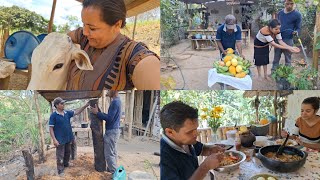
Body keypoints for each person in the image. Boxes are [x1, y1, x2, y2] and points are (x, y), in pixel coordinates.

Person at [67, 0, 160, 90]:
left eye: (92, 28)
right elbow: (61, 40)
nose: (85, 32)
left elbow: (148, 66)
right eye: (84, 25)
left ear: (117, 25)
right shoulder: (83, 37)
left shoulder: (132, 55)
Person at [160, 101, 224, 180]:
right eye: (189, 132)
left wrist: (211, 149)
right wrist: (205, 167)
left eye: (196, 129)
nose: (196, 134)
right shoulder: (163, 158)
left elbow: (201, 149)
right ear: (170, 132)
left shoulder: (186, 141)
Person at [49, 97, 89, 175]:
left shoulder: (67, 113)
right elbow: (51, 128)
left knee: (68, 152)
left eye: (63, 103)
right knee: (60, 155)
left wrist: (85, 106)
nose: (63, 105)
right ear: (57, 105)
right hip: (60, 139)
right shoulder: (53, 116)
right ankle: (60, 170)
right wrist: (54, 140)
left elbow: (77, 112)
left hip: (68, 137)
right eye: (61, 103)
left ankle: (66, 164)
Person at [90, 90, 121, 174]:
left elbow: (109, 118)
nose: (107, 92)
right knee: (113, 152)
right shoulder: (117, 101)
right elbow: (110, 116)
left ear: (114, 91)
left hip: (112, 131)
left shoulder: (115, 102)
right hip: (114, 131)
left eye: (109, 90)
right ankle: (113, 169)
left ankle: (115, 174)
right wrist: (99, 113)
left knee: (109, 154)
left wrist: (97, 113)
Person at [272, 0, 302, 73]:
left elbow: (298, 27)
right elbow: (276, 24)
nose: (289, 6)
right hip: (278, 38)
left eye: (291, 4)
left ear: (294, 4)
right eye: (287, 4)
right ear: (284, 3)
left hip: (288, 39)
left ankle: (288, 74)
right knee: (276, 57)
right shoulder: (280, 13)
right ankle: (273, 72)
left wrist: (296, 32)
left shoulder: (297, 14)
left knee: (288, 58)